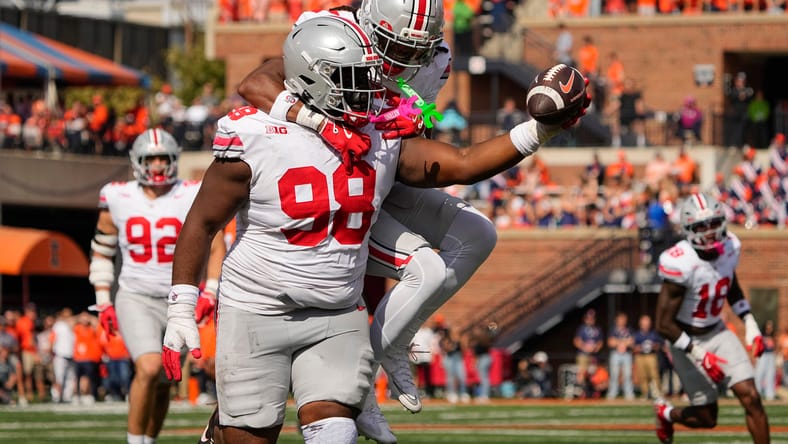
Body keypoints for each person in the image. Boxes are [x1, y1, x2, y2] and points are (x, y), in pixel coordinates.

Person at [160, 15, 588, 444]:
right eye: (354, 78)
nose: (372, 88)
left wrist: (540, 129)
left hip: (336, 312)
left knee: (336, 434)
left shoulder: (378, 134)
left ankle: (375, 370)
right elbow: (202, 221)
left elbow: (462, 162)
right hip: (258, 308)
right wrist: (180, 306)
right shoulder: (256, 132)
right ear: (314, 77)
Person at [235, 0, 496, 435]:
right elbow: (256, 83)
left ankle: (392, 343)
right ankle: (370, 377)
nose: (408, 60)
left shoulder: (436, 60)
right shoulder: (335, 29)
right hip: (325, 191)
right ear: (372, 25)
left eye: (419, 50)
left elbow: (408, 143)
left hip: (378, 180)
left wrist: (407, 126)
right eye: (398, 46)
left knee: (478, 233)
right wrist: (322, 123)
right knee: (425, 269)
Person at [88, 127, 224, 444]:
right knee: (148, 368)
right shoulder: (118, 195)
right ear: (137, 161)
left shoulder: (191, 191)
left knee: (164, 380)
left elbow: (217, 244)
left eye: (164, 158)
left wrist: (211, 290)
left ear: (175, 159)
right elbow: (102, 251)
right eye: (152, 158)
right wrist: (103, 300)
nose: (159, 165)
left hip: (180, 298)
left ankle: (148, 439)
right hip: (136, 295)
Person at [654, 192, 770, 444]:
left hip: (717, 331)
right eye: (700, 226)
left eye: (714, 223)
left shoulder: (731, 246)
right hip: (685, 340)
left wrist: (750, 323)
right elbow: (663, 324)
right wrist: (698, 354)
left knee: (751, 396)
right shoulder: (681, 262)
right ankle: (667, 413)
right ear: (688, 229)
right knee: (707, 417)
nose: (709, 231)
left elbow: (731, 286)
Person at [573, 309, 603, 397]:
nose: (591, 320)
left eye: (592, 318)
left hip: (593, 355)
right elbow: (576, 341)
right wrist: (585, 347)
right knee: (582, 372)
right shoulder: (581, 329)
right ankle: (582, 392)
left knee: (593, 373)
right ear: (585, 319)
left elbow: (600, 342)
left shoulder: (598, 329)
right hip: (583, 355)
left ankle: (592, 392)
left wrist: (595, 348)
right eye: (589, 318)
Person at [633, 314, 662, 400]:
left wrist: (653, 346)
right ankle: (645, 393)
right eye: (644, 323)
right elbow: (633, 347)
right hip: (640, 356)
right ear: (640, 324)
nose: (646, 325)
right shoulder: (637, 334)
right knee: (642, 376)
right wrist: (639, 348)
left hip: (651, 356)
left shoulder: (653, 334)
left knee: (654, 375)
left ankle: (658, 393)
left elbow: (659, 345)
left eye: (647, 323)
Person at [606, 312, 635, 400]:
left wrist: (619, 342)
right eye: (620, 319)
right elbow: (610, 342)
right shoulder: (613, 330)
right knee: (614, 374)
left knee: (628, 374)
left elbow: (632, 342)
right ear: (617, 320)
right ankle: (612, 393)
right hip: (615, 354)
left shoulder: (629, 329)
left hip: (627, 354)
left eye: (624, 319)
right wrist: (623, 342)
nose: (622, 321)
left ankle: (629, 393)